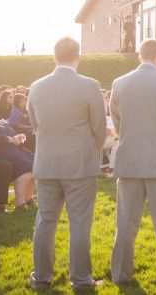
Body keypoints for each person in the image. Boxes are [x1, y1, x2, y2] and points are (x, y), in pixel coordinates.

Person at [27, 37, 106, 290]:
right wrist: (92, 149)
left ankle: (41, 277)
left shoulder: (36, 86)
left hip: (47, 162)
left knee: (45, 220)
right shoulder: (90, 85)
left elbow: (35, 124)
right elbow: (99, 127)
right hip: (79, 163)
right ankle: (81, 279)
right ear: (78, 57)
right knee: (80, 221)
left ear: (54, 56)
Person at [110, 39, 156, 286]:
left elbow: (117, 122)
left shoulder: (119, 83)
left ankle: (120, 274)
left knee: (126, 224)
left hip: (129, 158)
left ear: (139, 56)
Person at [0, 98, 36, 208]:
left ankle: (28, 197)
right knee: (24, 166)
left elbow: (12, 135)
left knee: (36, 164)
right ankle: (20, 201)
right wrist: (10, 139)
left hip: (14, 150)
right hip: (0, 153)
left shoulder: (0, 123)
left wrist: (18, 138)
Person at [101, 89, 118, 171]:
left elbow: (111, 129)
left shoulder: (107, 114)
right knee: (116, 142)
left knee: (114, 141)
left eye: (107, 97)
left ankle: (113, 164)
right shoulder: (101, 111)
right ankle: (112, 166)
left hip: (106, 139)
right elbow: (107, 129)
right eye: (105, 97)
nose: (107, 99)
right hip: (99, 141)